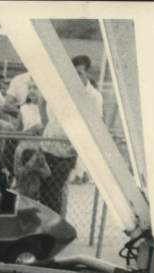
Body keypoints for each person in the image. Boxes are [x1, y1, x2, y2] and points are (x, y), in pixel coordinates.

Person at [38, 54, 104, 215]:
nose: (75, 78)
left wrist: (78, 146)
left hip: (66, 153)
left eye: (79, 73)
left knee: (54, 191)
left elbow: (95, 125)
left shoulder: (94, 97)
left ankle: (55, 230)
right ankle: (46, 228)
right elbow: (47, 108)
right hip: (47, 146)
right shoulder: (63, 92)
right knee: (42, 190)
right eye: (72, 73)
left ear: (88, 73)